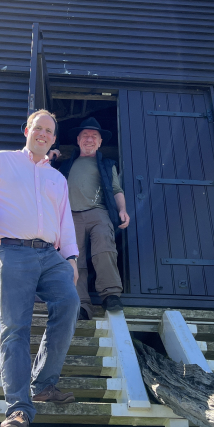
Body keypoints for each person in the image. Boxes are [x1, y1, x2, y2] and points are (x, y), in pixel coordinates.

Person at [0, 110, 80, 427]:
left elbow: (64, 221)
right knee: (15, 326)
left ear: (54, 139)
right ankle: (18, 408)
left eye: (49, 131)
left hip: (49, 255)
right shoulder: (2, 160)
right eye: (38, 128)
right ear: (27, 130)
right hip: (11, 250)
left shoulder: (57, 178)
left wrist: (71, 257)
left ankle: (44, 383)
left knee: (69, 303)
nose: (43, 134)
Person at [55, 117, 130, 320]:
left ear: (100, 142)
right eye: (85, 136)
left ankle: (111, 295)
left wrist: (122, 210)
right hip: (70, 217)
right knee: (73, 260)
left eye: (94, 136)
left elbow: (116, 189)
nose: (89, 139)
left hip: (98, 213)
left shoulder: (106, 164)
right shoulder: (65, 165)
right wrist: (50, 157)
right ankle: (81, 305)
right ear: (78, 140)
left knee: (105, 250)